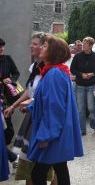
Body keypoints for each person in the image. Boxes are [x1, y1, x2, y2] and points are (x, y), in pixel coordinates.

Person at [27, 35, 83, 185]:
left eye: (45, 46)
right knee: (60, 169)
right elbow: (49, 100)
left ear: (53, 52)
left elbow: (55, 108)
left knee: (38, 174)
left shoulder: (53, 74)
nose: (40, 48)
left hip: (53, 134)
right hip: (58, 132)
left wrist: (46, 136)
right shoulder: (56, 71)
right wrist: (30, 107)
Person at [4, 33, 56, 184]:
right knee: (30, 165)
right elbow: (29, 90)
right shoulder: (35, 67)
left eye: (35, 44)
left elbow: (48, 98)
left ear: (44, 47)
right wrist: (13, 106)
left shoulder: (51, 70)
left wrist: (32, 103)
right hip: (31, 118)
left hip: (42, 120)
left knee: (47, 167)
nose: (31, 46)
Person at [70, 37, 95, 135]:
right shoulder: (77, 56)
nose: (83, 45)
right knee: (80, 108)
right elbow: (72, 69)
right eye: (83, 43)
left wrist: (92, 74)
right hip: (79, 85)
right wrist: (81, 75)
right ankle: (82, 129)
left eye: (85, 44)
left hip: (91, 85)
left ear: (91, 45)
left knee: (91, 107)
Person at [0, 37, 20, 168]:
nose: (1, 49)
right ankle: (10, 157)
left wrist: (10, 79)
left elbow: (16, 73)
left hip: (6, 99)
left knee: (8, 129)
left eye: (2, 46)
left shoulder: (7, 58)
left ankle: (7, 155)